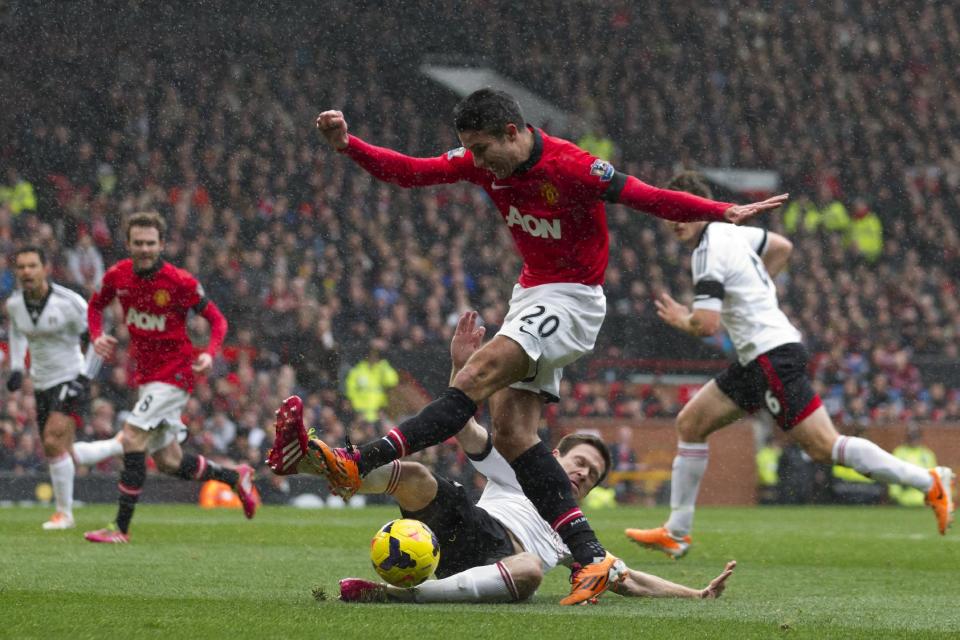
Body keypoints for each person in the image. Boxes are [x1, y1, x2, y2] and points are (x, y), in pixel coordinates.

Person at [307, 89, 786, 604]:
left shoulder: (573, 166)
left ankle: (361, 458)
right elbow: (411, 171)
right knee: (513, 434)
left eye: (484, 147)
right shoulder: (481, 162)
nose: (478, 159)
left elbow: (646, 196)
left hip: (573, 299)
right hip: (532, 295)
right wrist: (347, 145)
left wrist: (722, 211)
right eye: (470, 149)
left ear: (513, 132)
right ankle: (589, 556)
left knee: (473, 377)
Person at [273, 311, 736, 604]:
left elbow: (629, 578)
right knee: (413, 474)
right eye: (578, 462)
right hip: (469, 526)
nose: (581, 473)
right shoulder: (518, 470)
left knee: (532, 569)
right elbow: (463, 424)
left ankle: (395, 595)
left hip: (504, 563)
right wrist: (461, 366)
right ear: (552, 455)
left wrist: (697, 593)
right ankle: (310, 460)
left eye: (591, 475)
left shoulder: (572, 535)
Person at [625, 173, 954, 559]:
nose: (676, 220)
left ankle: (929, 480)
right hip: (759, 356)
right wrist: (757, 290)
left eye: (684, 211)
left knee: (823, 447)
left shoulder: (707, 253)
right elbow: (782, 246)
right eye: (669, 213)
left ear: (702, 208)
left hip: (771, 355)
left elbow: (707, 324)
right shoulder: (733, 234)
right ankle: (677, 531)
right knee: (690, 424)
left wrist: (683, 318)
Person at [83, 212, 258, 543]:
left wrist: (210, 352)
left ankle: (120, 529)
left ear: (162, 244)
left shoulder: (180, 282)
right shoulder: (118, 276)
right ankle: (235, 477)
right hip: (147, 377)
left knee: (132, 437)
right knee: (168, 461)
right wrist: (96, 335)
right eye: (139, 243)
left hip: (175, 374)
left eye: (151, 243)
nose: (145, 249)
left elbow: (218, 320)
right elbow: (95, 306)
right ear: (129, 244)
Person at [5, 246, 122, 529]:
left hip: (70, 377)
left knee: (53, 441)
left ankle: (64, 514)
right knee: (58, 450)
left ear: (46, 269)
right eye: (21, 267)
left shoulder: (70, 303)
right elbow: (18, 332)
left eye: (32, 265)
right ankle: (118, 445)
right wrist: (18, 368)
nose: (26, 272)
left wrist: (83, 380)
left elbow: (98, 340)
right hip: (42, 382)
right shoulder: (15, 305)